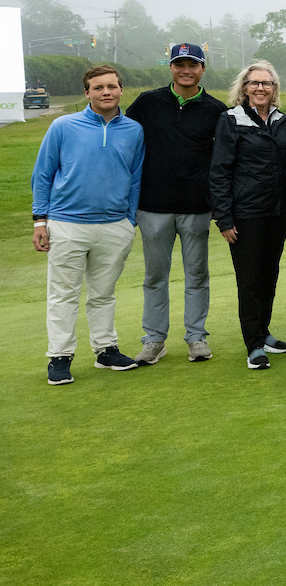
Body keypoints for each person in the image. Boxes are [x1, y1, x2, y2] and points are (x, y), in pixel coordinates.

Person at [32, 64, 144, 384]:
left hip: (114, 225)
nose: (105, 92)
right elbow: (43, 173)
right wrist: (40, 220)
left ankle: (106, 349)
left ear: (121, 90)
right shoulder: (63, 126)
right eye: (98, 88)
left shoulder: (134, 130)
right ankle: (60, 356)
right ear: (87, 93)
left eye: (111, 86)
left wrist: (129, 219)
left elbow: (135, 178)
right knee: (63, 294)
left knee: (103, 293)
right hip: (67, 223)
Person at [126, 43, 226, 364]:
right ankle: (154, 340)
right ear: (170, 67)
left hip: (197, 207)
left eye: (192, 64)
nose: (186, 70)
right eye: (179, 64)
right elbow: (126, 142)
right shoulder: (147, 103)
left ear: (202, 68)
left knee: (197, 275)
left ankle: (196, 337)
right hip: (152, 206)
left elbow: (223, 162)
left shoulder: (216, 110)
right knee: (155, 276)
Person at [209, 61, 286, 370]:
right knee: (248, 280)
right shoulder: (231, 120)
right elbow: (220, 172)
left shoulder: (281, 120)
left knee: (269, 276)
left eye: (267, 83)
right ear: (244, 87)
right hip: (245, 214)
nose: (260, 88)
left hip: (275, 213)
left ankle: (263, 334)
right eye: (254, 83)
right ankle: (253, 345)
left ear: (275, 89)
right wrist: (224, 218)